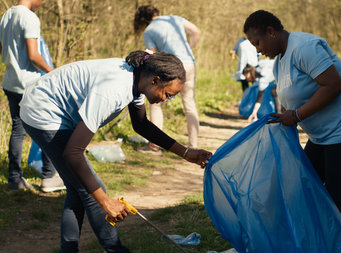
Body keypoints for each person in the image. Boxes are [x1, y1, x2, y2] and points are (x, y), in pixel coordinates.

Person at [19, 50, 213, 252]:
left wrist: (186, 152)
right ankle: (116, 250)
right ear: (155, 80)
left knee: (79, 188)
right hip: (42, 111)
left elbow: (141, 125)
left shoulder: (137, 80)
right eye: (168, 94)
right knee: (92, 189)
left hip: (53, 109)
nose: (166, 100)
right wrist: (105, 202)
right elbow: (72, 153)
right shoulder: (114, 90)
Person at [243, 10, 341, 232]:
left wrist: (296, 116)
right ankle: (314, 240)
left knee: (336, 196)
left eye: (257, 42)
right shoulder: (279, 62)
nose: (257, 50)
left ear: (271, 32)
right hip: (322, 137)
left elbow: (334, 85)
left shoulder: (304, 47)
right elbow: (290, 101)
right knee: (304, 187)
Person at [0, 0, 65, 192]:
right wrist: (53, 72)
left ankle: (14, 179)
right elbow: (34, 56)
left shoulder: (6, 16)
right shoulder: (30, 18)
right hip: (30, 84)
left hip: (11, 82)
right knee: (48, 125)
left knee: (18, 131)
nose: (42, 2)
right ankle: (49, 177)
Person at [134, 5, 201, 154]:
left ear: (143, 19)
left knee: (156, 104)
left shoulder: (149, 31)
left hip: (171, 68)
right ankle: (194, 145)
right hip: (189, 62)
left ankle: (154, 146)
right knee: (189, 103)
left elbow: (151, 57)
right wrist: (188, 49)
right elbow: (196, 32)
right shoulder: (175, 19)